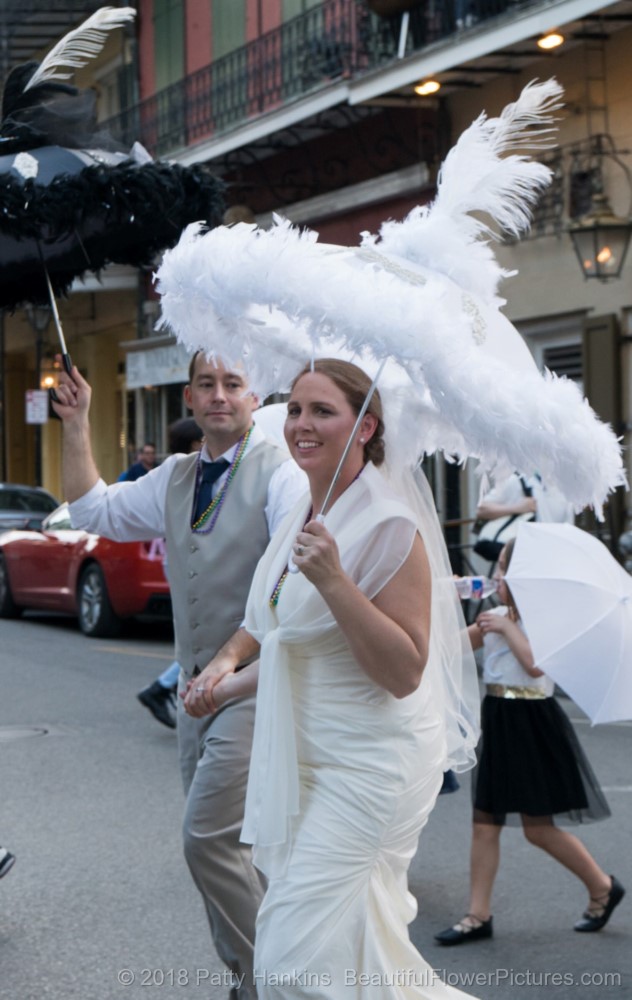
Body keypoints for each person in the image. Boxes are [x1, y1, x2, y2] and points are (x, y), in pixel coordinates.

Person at [184, 359, 480, 998]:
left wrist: (336, 582)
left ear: (366, 426)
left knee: (291, 963)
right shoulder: (303, 513)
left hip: (371, 766)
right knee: (360, 957)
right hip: (310, 761)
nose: (301, 425)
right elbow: (292, 642)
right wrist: (221, 682)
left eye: (323, 411)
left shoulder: (389, 524)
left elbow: (403, 671)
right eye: (294, 409)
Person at [51, 353, 307, 1000]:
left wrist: (231, 663)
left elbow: (287, 588)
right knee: (228, 855)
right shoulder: (175, 473)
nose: (219, 396)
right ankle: (249, 982)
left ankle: (273, 981)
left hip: (256, 683)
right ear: (189, 397)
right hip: (195, 689)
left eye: (232, 384)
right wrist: (77, 423)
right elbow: (91, 510)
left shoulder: (283, 476)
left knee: (206, 839)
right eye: (206, 385)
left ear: (256, 397)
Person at [435, 538, 625, 946]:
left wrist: (504, 627)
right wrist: (443, 604)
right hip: (500, 720)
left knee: (537, 828)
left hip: (533, 723)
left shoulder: (547, 620)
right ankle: (477, 914)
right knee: (484, 823)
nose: (497, 577)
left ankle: (602, 887)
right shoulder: (496, 614)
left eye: (503, 570)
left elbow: (536, 665)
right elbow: (444, 649)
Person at [137, 417, 204, 730]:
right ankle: (163, 688)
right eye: (200, 440)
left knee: (198, 638)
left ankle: (163, 687)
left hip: (183, 562)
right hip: (182, 563)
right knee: (199, 638)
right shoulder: (182, 477)